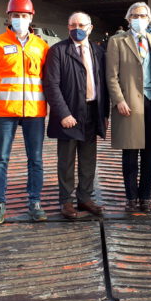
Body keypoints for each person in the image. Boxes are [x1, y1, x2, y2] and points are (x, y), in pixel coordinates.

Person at [0, 0, 49, 224]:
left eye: (24, 15)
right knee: (1, 159)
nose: (20, 19)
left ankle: (35, 202)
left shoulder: (41, 46)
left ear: (31, 17)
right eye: (16, 15)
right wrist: (1, 97)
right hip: (4, 112)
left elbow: (49, 79)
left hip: (34, 112)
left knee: (36, 159)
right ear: (9, 17)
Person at [106, 2, 151, 213]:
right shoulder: (117, 41)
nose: (138, 19)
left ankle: (146, 196)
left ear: (149, 19)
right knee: (131, 152)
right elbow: (111, 76)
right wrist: (119, 100)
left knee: (150, 153)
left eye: (142, 16)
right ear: (128, 19)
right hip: (130, 103)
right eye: (134, 16)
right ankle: (131, 196)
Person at [43, 11, 109, 219]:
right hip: (69, 114)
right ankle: (66, 201)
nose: (77, 29)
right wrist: (63, 113)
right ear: (68, 27)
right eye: (73, 25)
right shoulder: (58, 51)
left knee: (88, 160)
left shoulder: (98, 52)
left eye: (81, 25)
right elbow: (51, 85)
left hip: (92, 111)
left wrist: (104, 113)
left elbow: (104, 84)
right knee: (66, 161)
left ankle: (85, 198)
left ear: (90, 28)